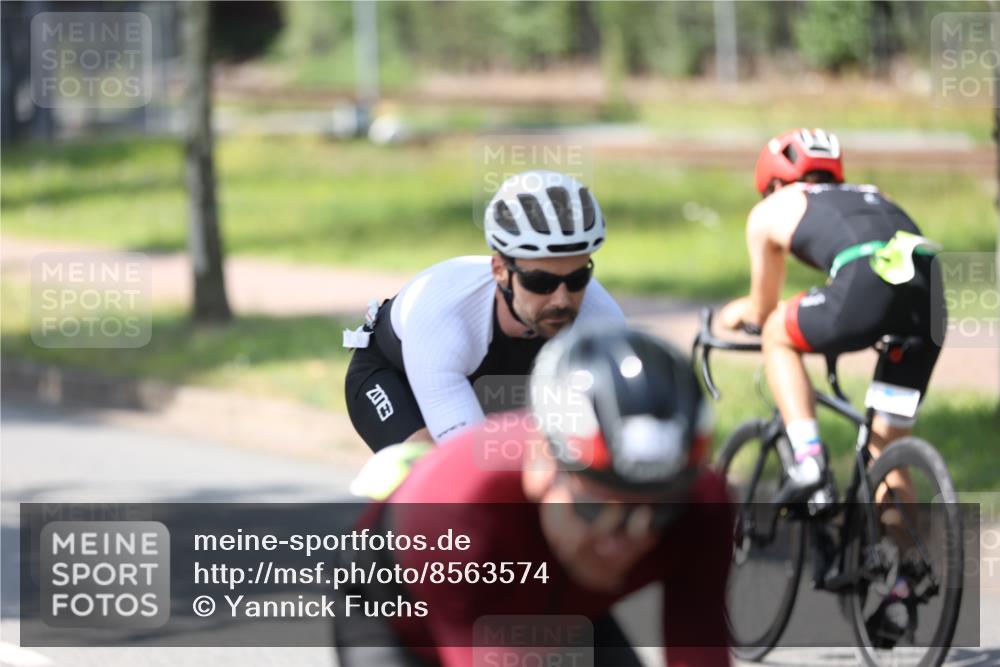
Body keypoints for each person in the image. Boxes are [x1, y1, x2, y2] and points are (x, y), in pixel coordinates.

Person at [333, 326, 732, 667]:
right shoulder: (462, 508)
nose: (623, 543)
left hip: (555, 596)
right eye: (594, 508)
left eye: (660, 513)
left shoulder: (702, 505)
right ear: (543, 465)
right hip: (399, 611)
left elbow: (699, 643)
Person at [718, 128, 944, 642]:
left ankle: (809, 458)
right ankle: (902, 580)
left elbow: (761, 307)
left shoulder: (772, 209)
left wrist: (730, 317)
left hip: (865, 286)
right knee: (887, 448)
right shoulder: (871, 194)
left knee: (778, 332)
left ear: (771, 182)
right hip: (927, 298)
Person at [344, 170, 625, 452]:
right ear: (500, 271)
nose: (561, 299)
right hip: (395, 377)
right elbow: (467, 457)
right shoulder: (448, 319)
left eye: (577, 279)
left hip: (497, 385)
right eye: (541, 282)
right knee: (429, 468)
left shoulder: (601, 318)